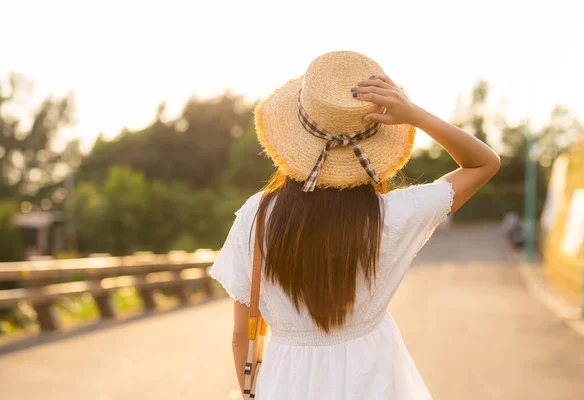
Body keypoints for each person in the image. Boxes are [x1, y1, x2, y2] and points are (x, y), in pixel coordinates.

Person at [209, 51, 500, 400]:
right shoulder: (392, 215)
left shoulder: (257, 216)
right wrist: (415, 114)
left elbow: (242, 336)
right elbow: (483, 164)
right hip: (372, 380)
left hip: (285, 383)